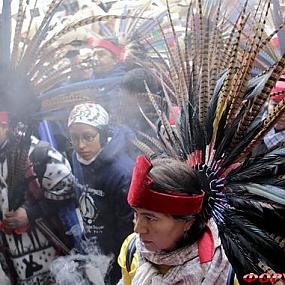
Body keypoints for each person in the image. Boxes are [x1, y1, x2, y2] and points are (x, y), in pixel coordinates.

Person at [0, 111, 83, 284]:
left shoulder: (33, 151)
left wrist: (31, 212)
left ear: (5, 126)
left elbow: (69, 187)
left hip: (54, 262)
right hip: (13, 264)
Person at [120, 155, 229, 285]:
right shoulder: (132, 250)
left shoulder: (226, 271)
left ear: (188, 222)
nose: (137, 229)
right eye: (136, 214)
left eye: (150, 218)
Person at [68, 102, 134, 285]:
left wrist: (119, 265)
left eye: (88, 137)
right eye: (74, 138)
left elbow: (127, 228)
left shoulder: (122, 172)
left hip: (117, 250)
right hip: (94, 242)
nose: (81, 145)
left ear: (103, 135)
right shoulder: (76, 157)